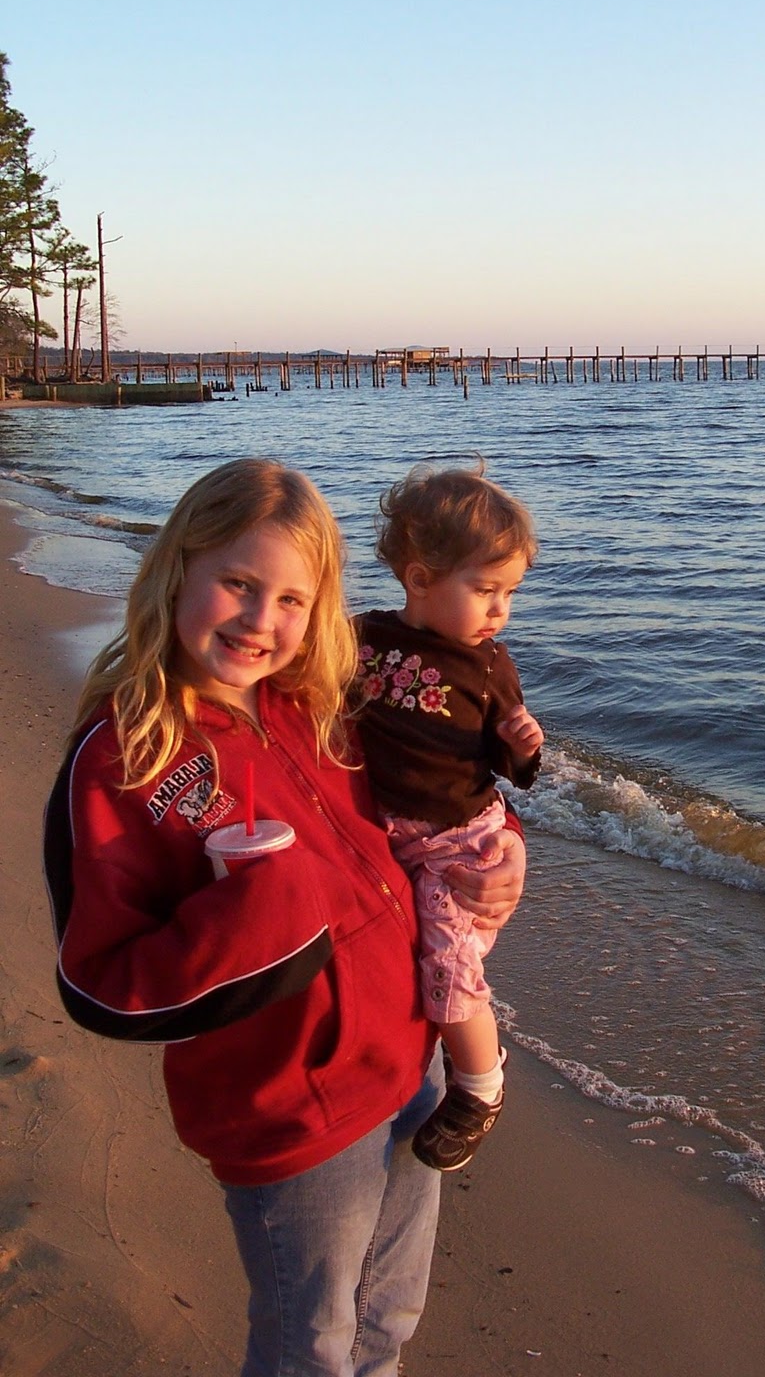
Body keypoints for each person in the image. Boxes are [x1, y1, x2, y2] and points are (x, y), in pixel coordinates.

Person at [42, 458, 526, 1377]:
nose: (264, 621)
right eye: (238, 583)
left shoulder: (323, 702)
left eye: (294, 601)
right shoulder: (128, 754)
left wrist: (507, 847)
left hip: (411, 1062)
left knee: (388, 1321)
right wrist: (266, 909)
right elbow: (99, 983)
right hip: (295, 1113)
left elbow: (437, 795)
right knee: (312, 1347)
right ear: (177, 568)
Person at [354, 462, 543, 1173]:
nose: (500, 611)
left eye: (510, 593)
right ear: (419, 578)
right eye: (484, 589)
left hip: (458, 839)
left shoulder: (489, 665)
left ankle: (480, 1086)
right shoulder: (363, 639)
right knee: (406, 951)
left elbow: (506, 767)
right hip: (396, 832)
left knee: (446, 954)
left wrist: (525, 748)